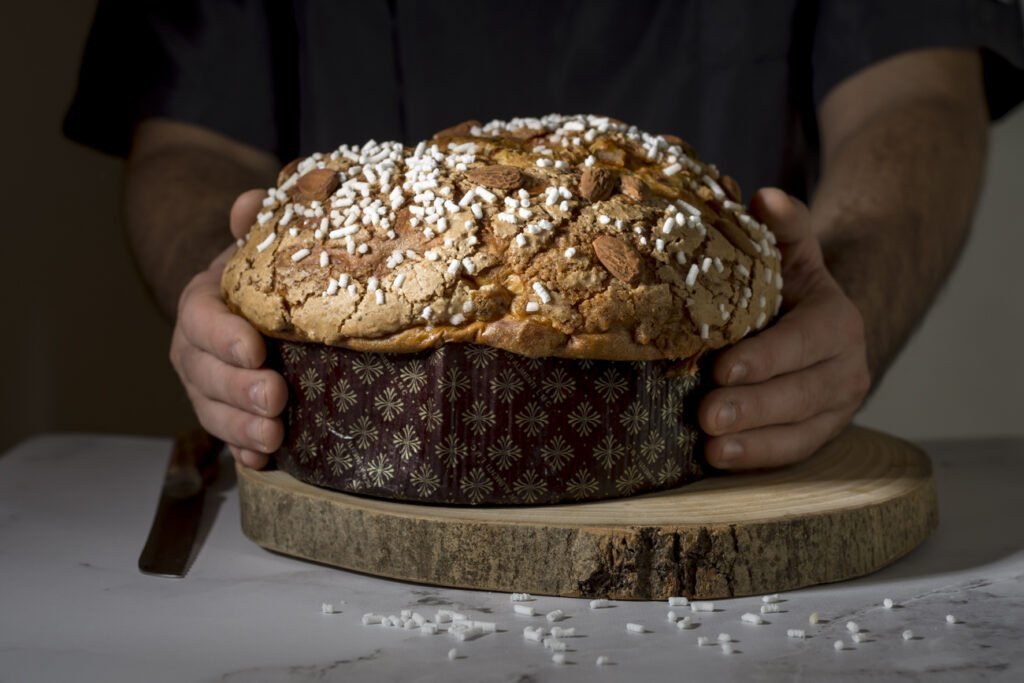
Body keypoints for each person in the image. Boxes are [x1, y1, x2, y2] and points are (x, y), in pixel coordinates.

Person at [66, 1, 1024, 472]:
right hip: (328, 506)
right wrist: (222, 278)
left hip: (730, 492)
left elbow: (917, 91)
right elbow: (188, 134)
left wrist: (846, 291)